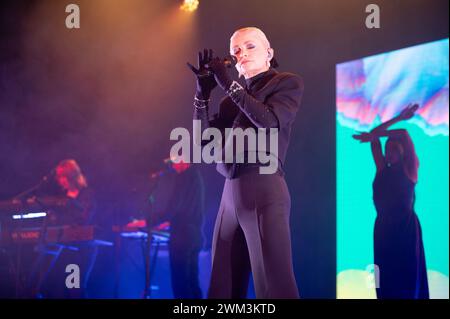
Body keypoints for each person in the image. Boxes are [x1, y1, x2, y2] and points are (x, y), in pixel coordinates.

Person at [187, 27, 303, 298]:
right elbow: (202, 145)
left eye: (250, 46)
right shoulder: (230, 103)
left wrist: (227, 82)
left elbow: (268, 121)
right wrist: (202, 94)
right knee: (221, 290)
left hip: (264, 188)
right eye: (236, 50)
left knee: (274, 288)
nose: (242, 53)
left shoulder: (287, 83)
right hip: (230, 195)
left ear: (269, 53)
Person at [353, 103, 429, 299]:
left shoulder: (409, 170)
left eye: (394, 149)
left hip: (405, 230)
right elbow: (374, 134)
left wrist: (400, 119)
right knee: (384, 281)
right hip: (383, 230)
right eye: (387, 149)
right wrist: (380, 133)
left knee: (407, 280)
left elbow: (402, 133)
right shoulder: (381, 168)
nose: (389, 152)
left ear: (403, 151)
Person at [149, 159, 205, 298]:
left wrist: (152, 220)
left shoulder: (184, 177)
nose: (172, 165)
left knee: (180, 283)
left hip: (182, 235)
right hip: (194, 234)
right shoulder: (196, 176)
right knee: (192, 282)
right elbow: (184, 208)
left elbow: (175, 205)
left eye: (173, 161)